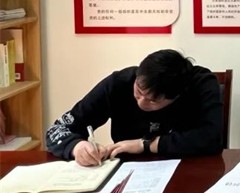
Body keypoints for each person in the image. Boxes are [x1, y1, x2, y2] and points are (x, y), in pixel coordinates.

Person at [46, 49, 223, 166]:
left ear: (176, 97)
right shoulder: (119, 83)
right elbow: (57, 129)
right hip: (126, 173)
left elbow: (211, 138)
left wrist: (145, 145)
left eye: (153, 101)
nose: (141, 103)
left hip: (185, 173)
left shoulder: (200, 84)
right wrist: (77, 146)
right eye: (138, 91)